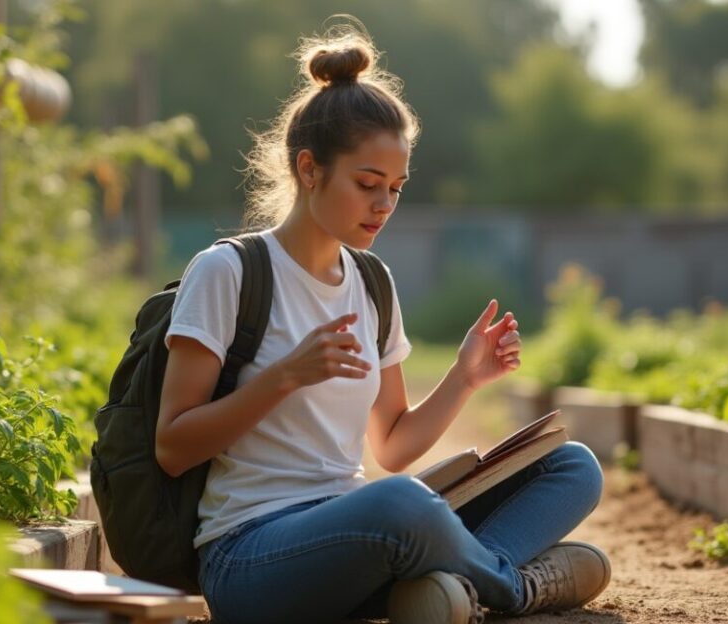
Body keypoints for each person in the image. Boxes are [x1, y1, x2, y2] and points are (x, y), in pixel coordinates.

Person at [154, 19, 610, 624]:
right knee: (400, 505)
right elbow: (172, 447)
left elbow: (392, 444)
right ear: (309, 170)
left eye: (396, 188)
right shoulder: (229, 272)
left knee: (570, 465)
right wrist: (284, 377)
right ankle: (513, 586)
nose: (384, 206)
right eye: (368, 184)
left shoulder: (372, 284)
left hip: (362, 534)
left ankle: (443, 587)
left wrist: (463, 379)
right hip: (249, 556)